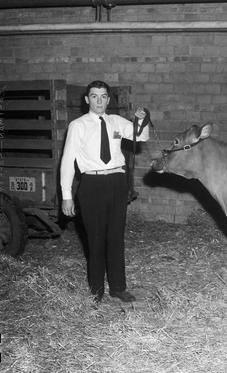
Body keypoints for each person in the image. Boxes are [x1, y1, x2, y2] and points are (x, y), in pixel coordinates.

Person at [60, 80, 149, 304]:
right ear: (87, 99)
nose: (99, 101)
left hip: (117, 182)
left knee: (116, 237)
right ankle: (96, 292)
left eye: (103, 96)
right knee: (96, 238)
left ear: (109, 100)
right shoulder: (78, 125)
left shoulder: (117, 122)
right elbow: (67, 161)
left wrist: (142, 120)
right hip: (92, 184)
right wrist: (67, 195)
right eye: (94, 96)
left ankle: (118, 287)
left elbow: (142, 136)